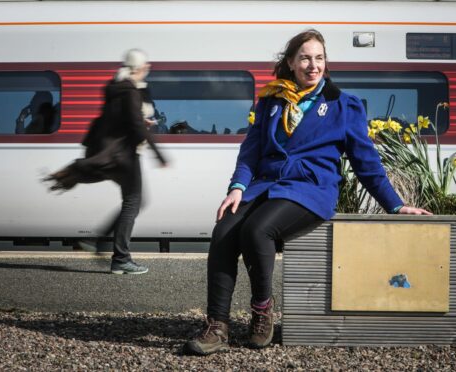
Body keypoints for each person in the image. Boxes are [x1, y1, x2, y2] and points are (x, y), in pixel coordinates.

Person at [183, 29, 431, 356]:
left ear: (325, 63)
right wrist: (238, 188)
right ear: (291, 62)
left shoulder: (344, 105)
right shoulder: (272, 100)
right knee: (224, 230)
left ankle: (261, 312)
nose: (312, 65)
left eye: (319, 58)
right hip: (266, 185)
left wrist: (395, 205)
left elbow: (366, 163)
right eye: (305, 58)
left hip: (311, 188)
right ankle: (217, 326)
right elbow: (250, 151)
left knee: (258, 230)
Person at [45, 49, 167, 275]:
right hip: (127, 156)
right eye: (146, 66)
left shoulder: (115, 87)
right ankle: (119, 258)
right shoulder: (130, 91)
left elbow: (121, 121)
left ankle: (100, 243)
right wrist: (159, 154)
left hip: (114, 155)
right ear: (138, 68)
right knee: (134, 203)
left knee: (133, 203)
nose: (148, 69)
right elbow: (136, 126)